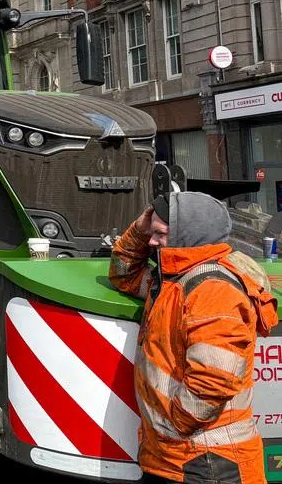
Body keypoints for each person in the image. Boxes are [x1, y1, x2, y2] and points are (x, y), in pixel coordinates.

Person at [110, 192, 279, 484]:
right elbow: (123, 273)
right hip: (178, 458)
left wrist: (173, 427)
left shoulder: (213, 289)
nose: (152, 241)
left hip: (207, 463)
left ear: (187, 237)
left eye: (160, 234)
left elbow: (213, 381)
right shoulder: (173, 280)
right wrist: (141, 226)